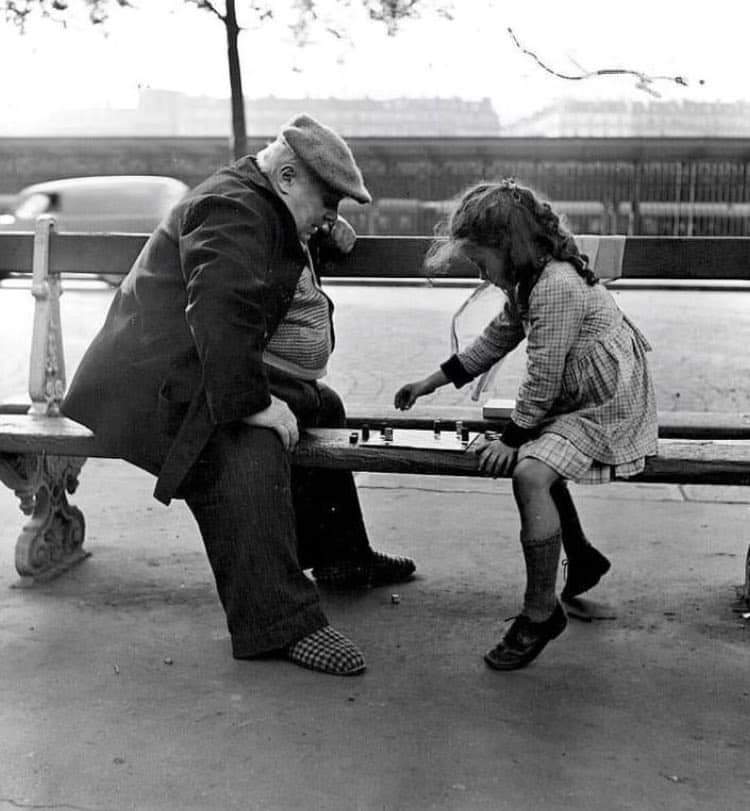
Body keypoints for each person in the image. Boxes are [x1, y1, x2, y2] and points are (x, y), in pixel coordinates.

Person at [62, 114, 415, 676]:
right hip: (151, 388)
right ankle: (279, 623)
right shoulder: (230, 209)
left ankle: (340, 557)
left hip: (193, 367)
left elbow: (268, 255)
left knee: (321, 407)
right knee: (242, 450)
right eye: (330, 201)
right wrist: (254, 403)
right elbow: (220, 312)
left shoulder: (262, 201)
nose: (333, 213)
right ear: (289, 176)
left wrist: (320, 232)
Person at [394, 179, 657, 671]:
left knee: (530, 472)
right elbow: (496, 339)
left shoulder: (555, 287)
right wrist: (431, 381)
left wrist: (511, 438)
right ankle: (579, 557)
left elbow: (542, 378)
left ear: (507, 247)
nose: (478, 272)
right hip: (577, 396)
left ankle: (540, 613)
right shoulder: (525, 279)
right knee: (537, 455)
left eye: (479, 261)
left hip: (606, 406)